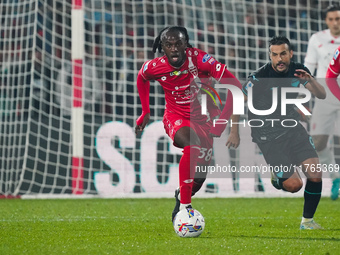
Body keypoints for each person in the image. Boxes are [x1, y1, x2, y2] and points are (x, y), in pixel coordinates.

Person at [134, 26, 242, 222]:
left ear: (186, 45)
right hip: (176, 116)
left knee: (198, 180)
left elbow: (236, 87)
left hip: (204, 120)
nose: (174, 49)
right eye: (169, 45)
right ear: (163, 47)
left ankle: (181, 196)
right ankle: (185, 207)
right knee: (191, 146)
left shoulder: (201, 60)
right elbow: (142, 78)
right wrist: (145, 111)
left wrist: (222, 122)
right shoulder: (155, 66)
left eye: (178, 44)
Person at [242, 36, 326, 229]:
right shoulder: (260, 77)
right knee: (294, 186)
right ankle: (278, 179)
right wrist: (234, 132)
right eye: (275, 55)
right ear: (270, 56)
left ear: (290, 54)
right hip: (268, 136)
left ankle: (307, 221)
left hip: (292, 129)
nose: (279, 59)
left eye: (283, 54)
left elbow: (321, 95)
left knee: (315, 174)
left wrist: (310, 80)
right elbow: (238, 100)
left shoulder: (298, 70)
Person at [304, 5, 340, 200]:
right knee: (318, 141)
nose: (335, 23)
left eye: (338, 19)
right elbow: (308, 69)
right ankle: (336, 178)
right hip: (325, 96)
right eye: (332, 19)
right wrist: (305, 97)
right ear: (326, 21)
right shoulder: (317, 39)